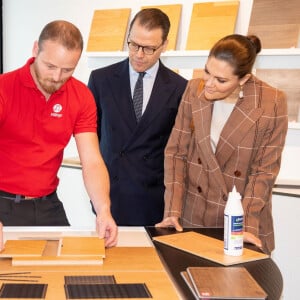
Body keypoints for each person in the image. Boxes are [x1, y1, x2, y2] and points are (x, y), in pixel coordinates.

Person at [155, 34, 288, 254]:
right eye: (207, 71)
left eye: (221, 80)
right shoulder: (193, 89)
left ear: (243, 79)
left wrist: (243, 226)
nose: (208, 84)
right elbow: (176, 153)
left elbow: (263, 172)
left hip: (242, 218)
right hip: (193, 215)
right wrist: (172, 210)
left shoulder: (271, 102)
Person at [0, 20, 117, 248]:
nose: (56, 77)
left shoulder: (81, 96)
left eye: (67, 70)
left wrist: (103, 210)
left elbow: (92, 161)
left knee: (68, 270)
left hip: (48, 204)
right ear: (36, 50)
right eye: (50, 66)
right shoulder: (4, 88)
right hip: (3, 203)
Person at [88, 8, 187, 225]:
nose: (139, 54)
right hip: (111, 195)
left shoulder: (180, 88)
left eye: (149, 48)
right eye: (134, 45)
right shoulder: (101, 79)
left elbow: (178, 150)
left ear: (164, 46)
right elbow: (91, 138)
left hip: (154, 198)